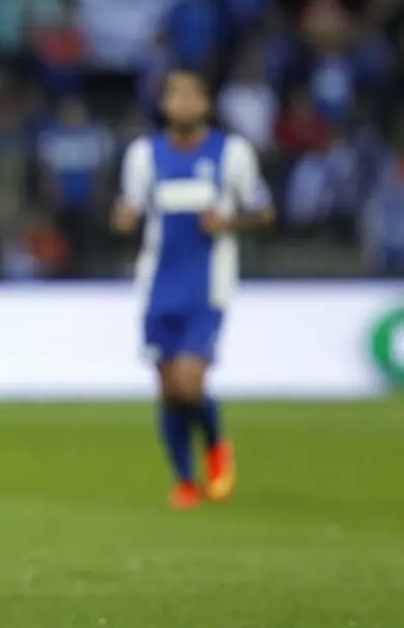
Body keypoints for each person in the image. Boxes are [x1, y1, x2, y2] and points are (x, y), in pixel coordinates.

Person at [111, 68, 274, 509]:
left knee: (190, 383)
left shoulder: (232, 153)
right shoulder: (144, 155)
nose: (183, 104)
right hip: (157, 285)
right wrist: (122, 219)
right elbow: (128, 207)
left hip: (208, 286)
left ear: (205, 104)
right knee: (168, 389)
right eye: (175, 96)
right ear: (164, 105)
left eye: (191, 96)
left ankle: (216, 442)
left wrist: (230, 222)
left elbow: (263, 212)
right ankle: (184, 480)